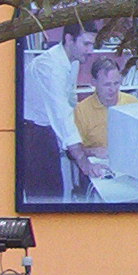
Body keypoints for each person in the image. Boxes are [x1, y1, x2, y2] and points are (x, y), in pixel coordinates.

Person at [18, 23, 97, 201]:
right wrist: (84, 162)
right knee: (46, 196)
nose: (91, 51)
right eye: (86, 44)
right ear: (69, 39)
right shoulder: (51, 67)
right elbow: (62, 114)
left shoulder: (71, 61)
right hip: (31, 133)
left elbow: (70, 102)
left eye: (92, 44)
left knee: (54, 191)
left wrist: (83, 147)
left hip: (44, 130)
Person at [74, 57, 138, 159]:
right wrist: (93, 151)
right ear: (94, 82)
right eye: (107, 84)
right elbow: (72, 150)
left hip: (130, 159)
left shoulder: (132, 103)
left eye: (116, 83)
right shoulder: (81, 110)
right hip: (99, 163)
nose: (113, 89)